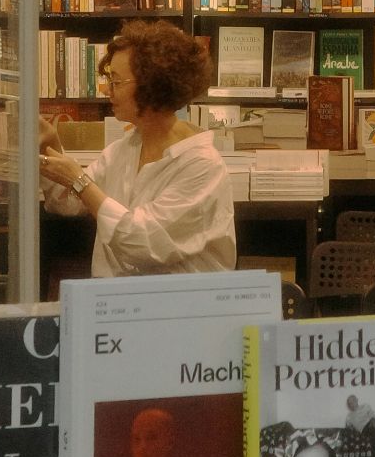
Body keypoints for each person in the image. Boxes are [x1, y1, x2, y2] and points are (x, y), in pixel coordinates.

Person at [38, 20, 236, 276]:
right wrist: (49, 144)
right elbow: (67, 202)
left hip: (175, 301)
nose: (107, 90)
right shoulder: (123, 150)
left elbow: (142, 243)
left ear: (153, 85)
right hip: (116, 297)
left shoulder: (203, 166)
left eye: (116, 82)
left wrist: (80, 181)